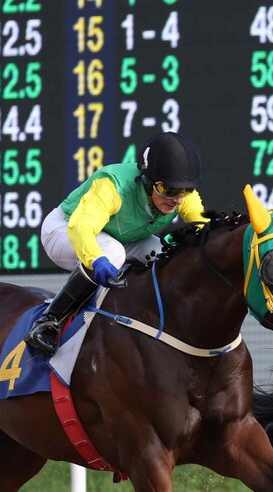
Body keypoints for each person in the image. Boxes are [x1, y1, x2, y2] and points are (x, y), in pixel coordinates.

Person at [24, 131, 208, 355]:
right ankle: (48, 323)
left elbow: (202, 224)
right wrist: (97, 259)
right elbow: (81, 228)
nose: (177, 199)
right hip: (63, 229)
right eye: (167, 190)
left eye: (185, 191)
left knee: (162, 254)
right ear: (147, 182)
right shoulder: (113, 186)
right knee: (112, 252)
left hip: (118, 238)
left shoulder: (180, 193)